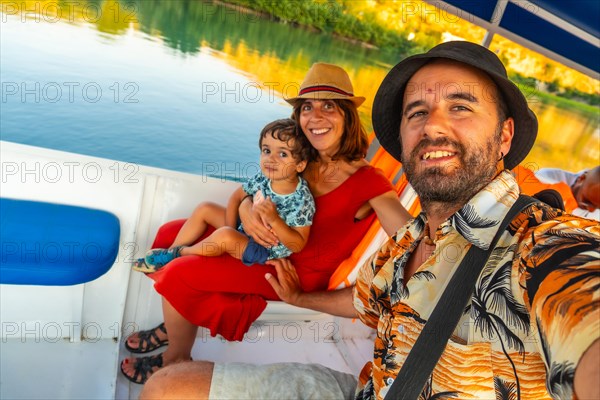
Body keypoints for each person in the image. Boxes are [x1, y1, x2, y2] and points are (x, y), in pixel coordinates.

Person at [140, 41, 600, 400]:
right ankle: (176, 324)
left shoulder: (545, 244)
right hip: (364, 382)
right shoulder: (400, 245)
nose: (434, 125)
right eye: (417, 111)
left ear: (504, 136)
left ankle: (177, 338)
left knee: (181, 268)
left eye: (461, 106)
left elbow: (580, 303)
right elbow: (366, 290)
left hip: (295, 259)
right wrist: (253, 227)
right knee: (165, 382)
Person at [120, 62, 412, 384]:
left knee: (179, 272)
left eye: (328, 106)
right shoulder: (302, 156)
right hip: (262, 242)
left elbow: (410, 236)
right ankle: (178, 320)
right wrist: (246, 208)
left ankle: (176, 357)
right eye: (306, 107)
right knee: (169, 233)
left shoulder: (369, 181)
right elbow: (258, 189)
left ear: (347, 115)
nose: (315, 117)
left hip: (292, 269)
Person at [135, 118, 316, 272]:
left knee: (225, 237)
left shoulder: (301, 200)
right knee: (205, 208)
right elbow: (236, 198)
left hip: (264, 249)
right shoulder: (263, 177)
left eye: (282, 154)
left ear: (300, 165)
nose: (271, 159)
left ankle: (179, 254)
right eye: (267, 151)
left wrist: (274, 220)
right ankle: (169, 253)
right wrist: (230, 229)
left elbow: (297, 245)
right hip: (242, 231)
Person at [536, 166, 600, 220]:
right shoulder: (543, 178)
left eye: (598, 208)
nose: (591, 210)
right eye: (587, 202)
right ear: (581, 178)